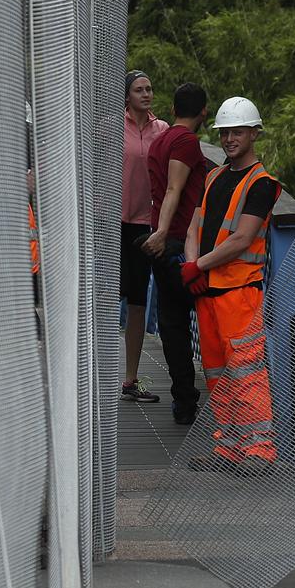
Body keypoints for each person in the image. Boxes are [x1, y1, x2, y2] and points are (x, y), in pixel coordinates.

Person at [181, 96, 281, 476]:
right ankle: (229, 447)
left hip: (239, 293)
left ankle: (260, 451)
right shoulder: (214, 176)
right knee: (218, 372)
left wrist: (197, 266)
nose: (229, 139)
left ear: (254, 133)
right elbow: (195, 225)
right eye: (224, 133)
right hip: (208, 291)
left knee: (247, 370)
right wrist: (193, 266)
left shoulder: (263, 184)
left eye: (237, 132)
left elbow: (242, 239)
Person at [141, 82, 208, 423]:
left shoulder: (159, 141)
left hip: (162, 241)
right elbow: (173, 188)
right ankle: (209, 401)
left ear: (172, 108)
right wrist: (165, 232)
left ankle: (184, 403)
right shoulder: (185, 141)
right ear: (204, 113)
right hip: (179, 242)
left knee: (172, 326)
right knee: (205, 319)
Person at [121, 70, 168, 402]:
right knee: (104, 302)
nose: (146, 94)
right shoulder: (110, 127)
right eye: (139, 89)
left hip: (144, 225)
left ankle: (130, 379)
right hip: (110, 223)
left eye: (150, 89)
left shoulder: (161, 130)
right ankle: (91, 376)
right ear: (127, 95)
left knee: (138, 302)